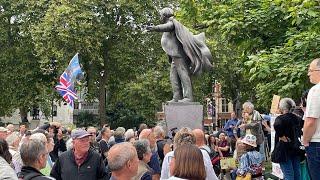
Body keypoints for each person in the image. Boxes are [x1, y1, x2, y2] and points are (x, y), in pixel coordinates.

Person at [147, 7, 213, 102]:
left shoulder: (172, 22)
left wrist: (155, 28)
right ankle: (177, 96)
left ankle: (188, 97)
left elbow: (167, 27)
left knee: (183, 74)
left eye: (160, 15)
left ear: (164, 15)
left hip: (179, 55)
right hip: (174, 56)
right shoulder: (170, 23)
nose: (160, 17)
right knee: (173, 76)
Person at [272, 98, 302, 180]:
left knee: (288, 174)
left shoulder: (280, 118)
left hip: (284, 149)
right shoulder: (297, 118)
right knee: (297, 173)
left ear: (282, 107)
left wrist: (281, 136)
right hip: (296, 148)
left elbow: (277, 125)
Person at [303, 58, 320, 180]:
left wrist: (305, 142)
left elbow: (310, 122)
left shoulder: (315, 90)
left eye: (310, 70)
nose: (308, 73)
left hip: (316, 144)